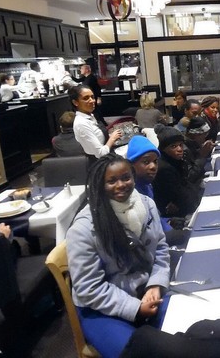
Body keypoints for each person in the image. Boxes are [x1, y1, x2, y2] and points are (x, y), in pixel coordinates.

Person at [66, 153, 170, 358]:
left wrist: (155, 285)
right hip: (101, 308)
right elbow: (88, 288)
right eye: (111, 181)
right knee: (140, 353)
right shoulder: (83, 228)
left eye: (126, 178)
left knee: (184, 327)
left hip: (146, 290)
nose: (121, 185)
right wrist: (135, 308)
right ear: (99, 185)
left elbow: (160, 248)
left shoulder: (147, 205)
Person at [126, 136, 187, 247]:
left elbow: (153, 217)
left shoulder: (147, 186)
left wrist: (168, 220)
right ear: (131, 166)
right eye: (146, 162)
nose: (153, 166)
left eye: (155, 161)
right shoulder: (130, 193)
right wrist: (168, 230)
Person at [152, 125, 202, 218]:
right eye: (173, 146)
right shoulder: (165, 169)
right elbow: (183, 198)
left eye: (181, 145)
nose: (179, 149)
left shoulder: (175, 161)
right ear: (163, 149)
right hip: (173, 217)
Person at [70, 85, 122, 160]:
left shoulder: (90, 116)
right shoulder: (81, 123)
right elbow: (100, 154)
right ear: (75, 102)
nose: (92, 101)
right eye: (86, 98)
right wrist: (112, 138)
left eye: (92, 97)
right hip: (100, 163)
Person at [184, 116, 215, 183]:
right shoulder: (184, 149)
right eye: (204, 134)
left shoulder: (193, 144)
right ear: (194, 134)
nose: (205, 137)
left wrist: (206, 149)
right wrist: (202, 156)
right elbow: (191, 176)